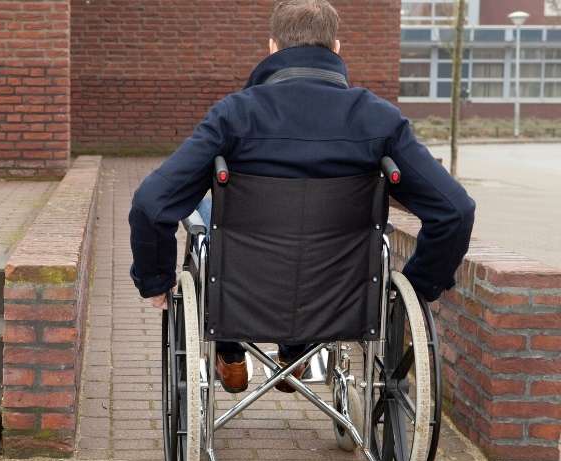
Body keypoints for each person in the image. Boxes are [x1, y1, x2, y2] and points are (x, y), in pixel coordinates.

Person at [129, 0, 475, 394]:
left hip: (243, 290)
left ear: (273, 48)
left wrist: (155, 279)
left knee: (208, 211)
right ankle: (295, 353)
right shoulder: (379, 119)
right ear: (337, 48)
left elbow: (151, 202)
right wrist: (418, 287)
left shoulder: (233, 115)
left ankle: (230, 348)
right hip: (344, 294)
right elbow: (455, 211)